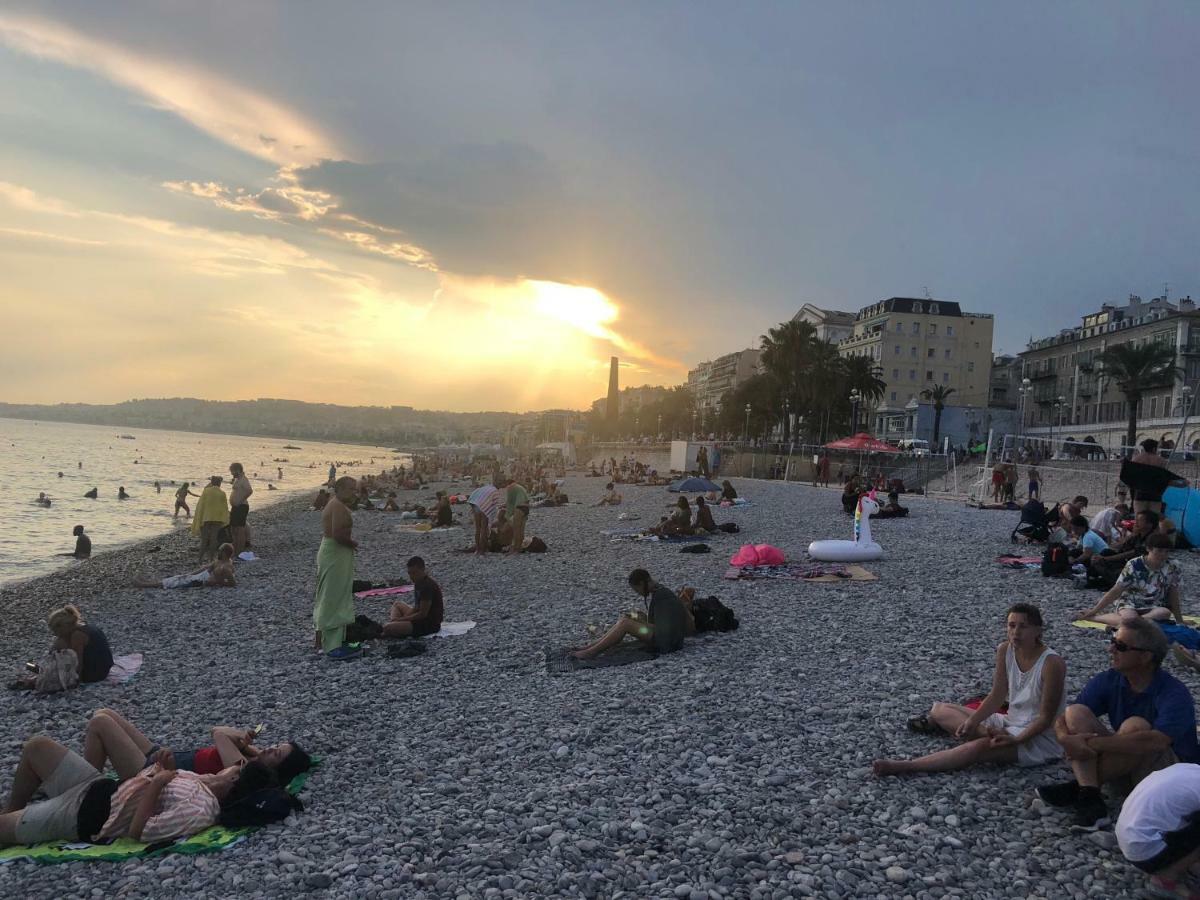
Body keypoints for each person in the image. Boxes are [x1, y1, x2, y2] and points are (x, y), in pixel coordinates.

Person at [1036, 618, 1200, 830]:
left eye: (1120, 646)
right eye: (1113, 640)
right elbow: (1065, 717)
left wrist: (1091, 744)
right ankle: (1090, 795)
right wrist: (1065, 738)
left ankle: (1080, 788)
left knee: (1135, 726)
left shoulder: (1173, 692)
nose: (1111, 649)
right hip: (1126, 767)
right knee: (1075, 713)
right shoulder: (1112, 679)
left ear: (1146, 656)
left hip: (1168, 778)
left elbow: (1157, 742)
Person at [875, 604, 1065, 776]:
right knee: (939, 710)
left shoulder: (1051, 663)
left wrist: (1016, 740)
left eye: (1023, 626)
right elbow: (997, 695)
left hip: (1037, 737)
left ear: (1038, 631)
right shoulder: (1005, 649)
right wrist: (974, 722)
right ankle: (986, 733)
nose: (1015, 632)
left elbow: (1045, 719)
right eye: (1011, 625)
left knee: (979, 748)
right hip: (1009, 722)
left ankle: (908, 766)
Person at [0, 734, 277, 847]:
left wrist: (157, 783)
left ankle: (15, 822)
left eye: (236, 769)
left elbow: (139, 831)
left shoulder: (201, 810)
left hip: (82, 814)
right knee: (37, 746)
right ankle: (14, 812)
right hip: (96, 785)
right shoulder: (205, 780)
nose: (231, 767)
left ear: (235, 783)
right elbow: (150, 780)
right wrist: (159, 768)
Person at [83, 709, 311, 786]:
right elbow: (215, 731)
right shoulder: (255, 757)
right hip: (163, 755)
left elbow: (219, 734)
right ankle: (90, 777)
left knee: (99, 724)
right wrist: (246, 742)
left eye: (276, 753)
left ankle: (85, 788)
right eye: (275, 746)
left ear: (278, 768)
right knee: (104, 713)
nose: (270, 749)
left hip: (151, 771)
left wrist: (239, 736)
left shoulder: (243, 769)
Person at [1115, 764, 1200, 899]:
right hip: (1146, 851)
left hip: (1130, 838)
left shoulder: (1189, 769)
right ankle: (1165, 880)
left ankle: (1187, 863)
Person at [571, 569, 693, 660]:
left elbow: (664, 630)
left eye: (636, 590)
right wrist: (641, 618)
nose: (638, 593)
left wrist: (641, 622)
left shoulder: (662, 596)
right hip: (669, 639)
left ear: (641, 584)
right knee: (627, 618)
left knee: (626, 623)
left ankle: (591, 652)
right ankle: (592, 646)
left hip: (667, 643)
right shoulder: (660, 591)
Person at [1075, 534, 1183, 627]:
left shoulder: (1173, 566)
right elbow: (1116, 590)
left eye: (1167, 551)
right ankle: (1096, 618)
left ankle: (1133, 623)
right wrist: (1094, 610)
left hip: (1154, 604)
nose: (1163, 555)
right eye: (1159, 551)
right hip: (1130, 601)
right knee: (1129, 618)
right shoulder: (1134, 564)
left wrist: (1179, 620)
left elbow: (1173, 593)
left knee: (1164, 612)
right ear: (1148, 549)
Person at [314, 476, 360, 660]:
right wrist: (352, 543)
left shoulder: (333, 504)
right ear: (339, 489)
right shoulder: (338, 506)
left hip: (330, 551)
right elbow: (338, 534)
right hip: (335, 551)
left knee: (326, 594)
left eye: (355, 489)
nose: (354, 492)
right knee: (334, 596)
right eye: (351, 489)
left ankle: (321, 639)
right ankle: (332, 646)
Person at [1088, 509, 1159, 588]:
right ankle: (1099, 579)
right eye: (1136, 520)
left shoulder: (1152, 538)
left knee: (1110, 566)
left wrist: (1105, 559)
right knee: (1105, 552)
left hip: (1140, 567)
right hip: (1128, 563)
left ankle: (1110, 582)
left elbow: (1130, 553)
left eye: (1139, 521)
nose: (1136, 523)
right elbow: (1121, 547)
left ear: (1149, 525)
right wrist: (1132, 534)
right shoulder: (1138, 535)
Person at [47, 604, 113, 683]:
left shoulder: (77, 636)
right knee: (60, 643)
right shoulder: (84, 626)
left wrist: (77, 681)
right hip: (104, 668)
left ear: (65, 626)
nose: (56, 634)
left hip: (96, 674)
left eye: (57, 632)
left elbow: (79, 663)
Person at [382, 557, 444, 638]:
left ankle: (394, 625)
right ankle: (395, 624)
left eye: (414, 573)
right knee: (397, 604)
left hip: (428, 624)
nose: (411, 576)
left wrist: (401, 620)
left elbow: (422, 614)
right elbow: (416, 607)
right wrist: (403, 619)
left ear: (422, 569)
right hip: (419, 618)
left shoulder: (427, 586)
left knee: (387, 628)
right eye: (410, 573)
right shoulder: (418, 583)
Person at [134, 543, 237, 589]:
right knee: (178, 577)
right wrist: (190, 574)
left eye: (220, 551)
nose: (218, 552)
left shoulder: (226, 567)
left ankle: (145, 585)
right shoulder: (220, 562)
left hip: (200, 582)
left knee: (175, 582)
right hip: (201, 577)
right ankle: (148, 582)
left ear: (224, 553)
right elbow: (206, 568)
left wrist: (216, 582)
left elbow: (232, 583)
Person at [190, 476, 229, 564]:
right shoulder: (222, 493)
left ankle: (200, 559)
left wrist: (199, 518)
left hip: (206, 518)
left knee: (204, 539)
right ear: (220, 483)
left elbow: (201, 505)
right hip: (217, 518)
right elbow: (224, 508)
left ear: (211, 482)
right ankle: (211, 559)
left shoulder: (206, 491)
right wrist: (225, 519)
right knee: (213, 539)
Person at [467, 482, 502, 555]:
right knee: (484, 528)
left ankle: (477, 549)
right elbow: (497, 504)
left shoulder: (483, 488)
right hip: (484, 508)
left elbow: (472, 495)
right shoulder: (495, 491)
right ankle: (482, 550)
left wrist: (473, 507)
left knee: (478, 529)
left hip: (476, 505)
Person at [228, 463, 253, 557]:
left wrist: (240, 500)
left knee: (240, 529)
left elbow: (249, 490)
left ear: (237, 470)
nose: (231, 473)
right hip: (236, 507)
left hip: (241, 506)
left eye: (232, 471)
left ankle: (240, 551)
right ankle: (235, 548)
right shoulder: (238, 479)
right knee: (233, 528)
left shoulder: (243, 479)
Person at [505, 479, 530, 555]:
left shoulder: (510, 488)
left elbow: (510, 502)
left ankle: (515, 549)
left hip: (519, 508)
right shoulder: (520, 487)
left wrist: (507, 515)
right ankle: (519, 548)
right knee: (521, 530)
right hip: (526, 508)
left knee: (516, 530)